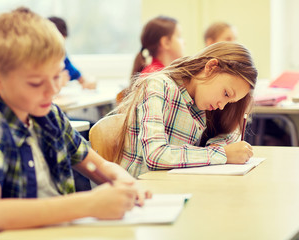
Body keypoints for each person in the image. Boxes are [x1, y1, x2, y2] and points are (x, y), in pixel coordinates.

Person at [0, 7, 150, 240]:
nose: (53, 90)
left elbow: (101, 167)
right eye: (36, 83)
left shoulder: (50, 116)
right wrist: (87, 204)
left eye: (58, 76)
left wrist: (127, 185)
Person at [112, 42, 257, 177]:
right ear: (211, 67)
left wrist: (218, 146)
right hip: (142, 191)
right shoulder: (158, 86)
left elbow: (227, 136)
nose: (222, 105)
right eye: (226, 94)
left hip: (176, 186)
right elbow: (155, 155)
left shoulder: (204, 101)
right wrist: (221, 154)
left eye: (230, 101)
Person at [117, 15, 185, 104]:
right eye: (179, 36)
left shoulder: (161, 74)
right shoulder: (154, 77)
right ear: (166, 42)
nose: (184, 42)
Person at [48, 16, 96, 89]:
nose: (59, 50)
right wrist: (56, 82)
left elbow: (80, 77)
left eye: (62, 45)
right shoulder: (37, 59)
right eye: (56, 44)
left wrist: (88, 81)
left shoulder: (62, 56)